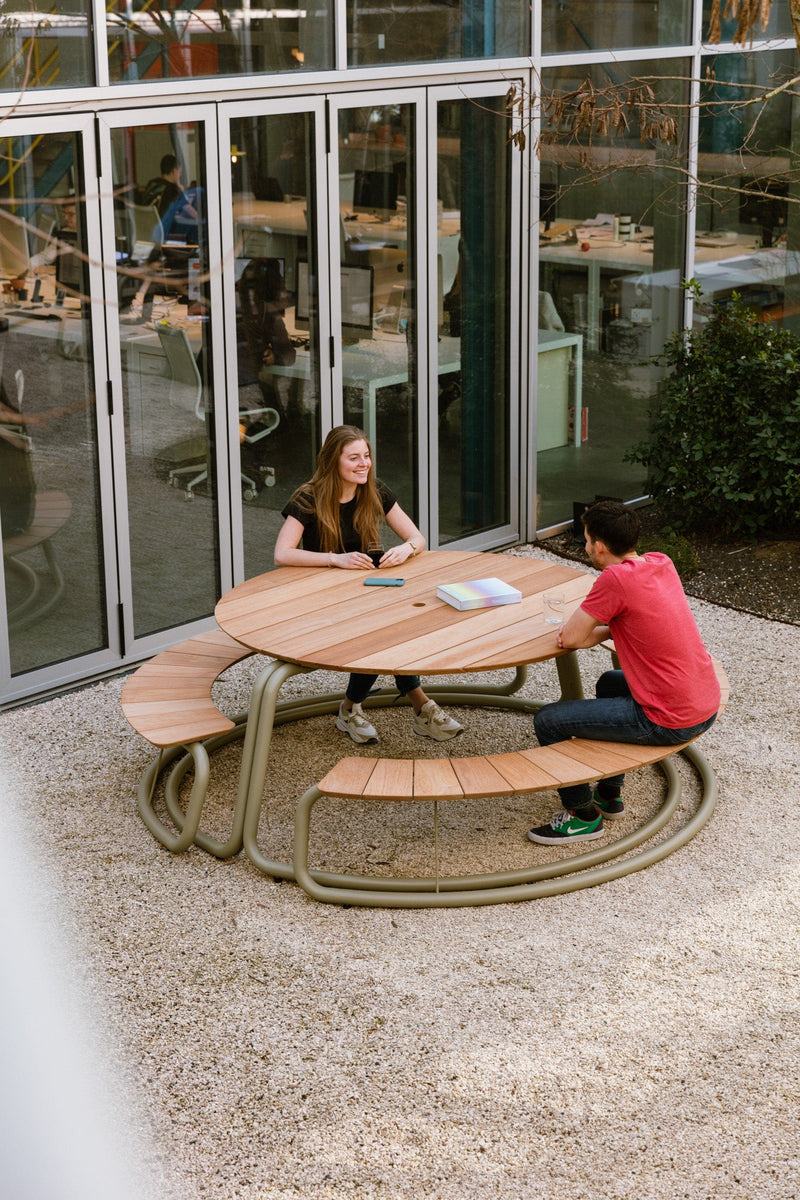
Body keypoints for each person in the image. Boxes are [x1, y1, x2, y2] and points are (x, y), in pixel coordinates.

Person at [528, 500, 720, 845]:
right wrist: (601, 630)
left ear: (599, 546)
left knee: (548, 720)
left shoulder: (614, 578)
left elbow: (571, 637)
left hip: (666, 718)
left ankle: (583, 816)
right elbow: (629, 620)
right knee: (608, 682)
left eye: (586, 540)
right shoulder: (660, 563)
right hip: (702, 701)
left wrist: (587, 634)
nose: (585, 547)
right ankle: (610, 793)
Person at [274, 425, 464, 744]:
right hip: (321, 600)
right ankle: (414, 707)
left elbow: (417, 538)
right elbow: (282, 553)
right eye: (354, 458)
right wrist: (336, 559)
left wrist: (406, 549)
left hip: (365, 592)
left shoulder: (374, 490)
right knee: (381, 635)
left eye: (366, 456)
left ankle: (365, 709)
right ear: (333, 461)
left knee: (394, 627)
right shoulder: (309, 496)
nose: (364, 464)